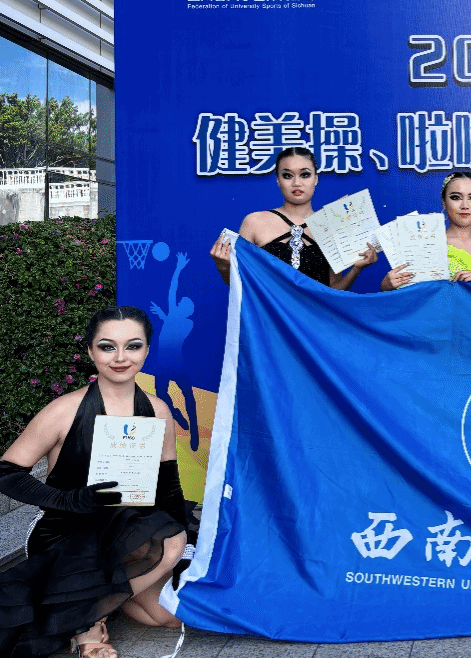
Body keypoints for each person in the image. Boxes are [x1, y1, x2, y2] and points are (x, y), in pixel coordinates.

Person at [0, 307, 189, 657]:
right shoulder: (63, 410)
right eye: (107, 346)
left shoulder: (158, 410)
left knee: (166, 616)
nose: (120, 357)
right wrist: (69, 500)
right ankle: (89, 624)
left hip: (127, 532)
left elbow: (168, 487)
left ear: (147, 350)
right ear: (90, 351)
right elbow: (7, 472)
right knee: (172, 544)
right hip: (66, 530)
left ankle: (90, 610)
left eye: (133, 346)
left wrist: (182, 538)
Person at [209, 147, 376, 289]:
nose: (297, 183)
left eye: (305, 175)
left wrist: (356, 269)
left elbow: (332, 292)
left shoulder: (330, 225)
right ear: (278, 180)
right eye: (287, 175)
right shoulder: (254, 222)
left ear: (316, 179)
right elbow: (241, 286)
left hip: (313, 317)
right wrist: (223, 266)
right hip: (268, 317)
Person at [383, 171, 471, 289]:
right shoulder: (425, 245)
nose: (465, 205)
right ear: (444, 203)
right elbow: (412, 293)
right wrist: (387, 286)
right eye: (456, 197)